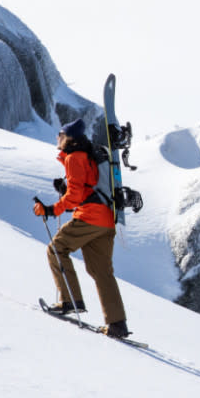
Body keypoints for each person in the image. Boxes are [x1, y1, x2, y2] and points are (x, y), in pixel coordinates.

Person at [33, 118, 130, 338]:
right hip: (106, 220)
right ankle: (117, 324)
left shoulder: (74, 158)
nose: (57, 137)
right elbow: (87, 186)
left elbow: (75, 197)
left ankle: (69, 301)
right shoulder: (87, 156)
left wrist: (50, 210)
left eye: (60, 134)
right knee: (101, 272)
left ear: (69, 138)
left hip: (90, 217)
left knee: (56, 249)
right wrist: (66, 188)